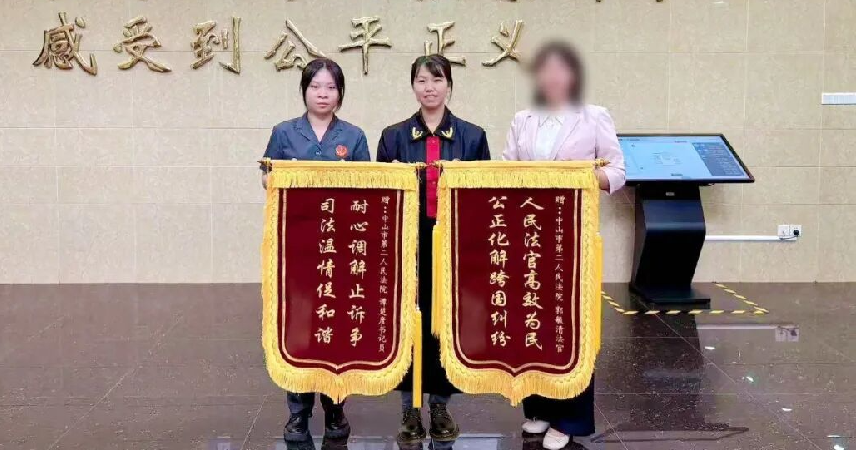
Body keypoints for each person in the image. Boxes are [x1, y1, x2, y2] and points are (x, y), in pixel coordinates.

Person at [502, 41, 625, 450]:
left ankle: (569, 418)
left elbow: (618, 172)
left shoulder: (594, 117)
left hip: (572, 237)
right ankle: (537, 408)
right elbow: (505, 171)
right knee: (531, 321)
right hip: (528, 238)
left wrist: (581, 178)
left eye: (561, 70)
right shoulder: (522, 120)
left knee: (570, 326)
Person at [377, 54, 491, 444]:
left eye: (437, 80)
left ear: (449, 86)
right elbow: (381, 197)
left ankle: (441, 405)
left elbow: (483, 197)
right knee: (408, 322)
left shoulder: (472, 136)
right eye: (422, 80)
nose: (430, 88)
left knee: (445, 323)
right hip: (407, 243)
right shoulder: (393, 136)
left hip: (452, 243)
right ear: (413, 87)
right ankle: (409, 408)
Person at [262, 57, 370, 443]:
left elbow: (368, 188)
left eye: (330, 87)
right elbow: (267, 177)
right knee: (299, 328)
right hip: (298, 248)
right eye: (315, 86)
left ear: (340, 94)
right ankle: (298, 411)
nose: (322, 94)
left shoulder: (353, 136)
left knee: (337, 327)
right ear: (304, 91)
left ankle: (335, 406)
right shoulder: (284, 133)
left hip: (340, 250)